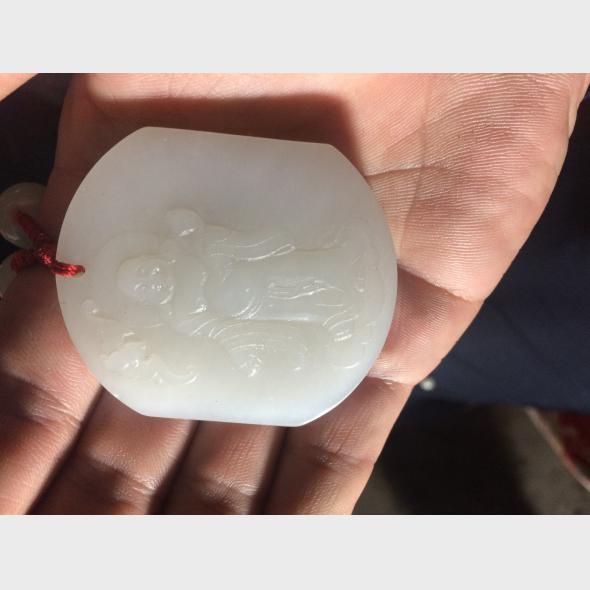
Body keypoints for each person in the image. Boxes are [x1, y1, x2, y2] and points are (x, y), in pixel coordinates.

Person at [0, 73, 588, 514]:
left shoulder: (192, 246)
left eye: (145, 270)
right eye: (146, 288)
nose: (152, 281)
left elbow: (239, 242)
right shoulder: (173, 307)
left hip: (275, 273)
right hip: (264, 309)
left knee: (313, 278)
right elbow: (208, 333)